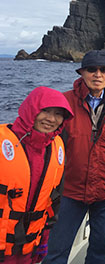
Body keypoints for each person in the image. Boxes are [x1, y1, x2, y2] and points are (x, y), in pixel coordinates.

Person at [44, 50, 105, 264]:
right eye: (91, 69)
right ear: (82, 72)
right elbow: (47, 138)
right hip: (70, 190)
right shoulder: (64, 102)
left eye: (103, 69)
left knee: (102, 246)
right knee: (57, 248)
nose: (97, 74)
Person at [0, 87, 73, 264]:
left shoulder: (57, 147)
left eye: (58, 113)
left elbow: (52, 201)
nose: (51, 119)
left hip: (28, 247)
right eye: (45, 110)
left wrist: (44, 239)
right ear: (31, 109)